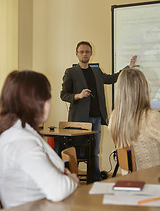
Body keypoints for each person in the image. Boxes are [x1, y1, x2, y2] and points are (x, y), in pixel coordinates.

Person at [60, 41, 138, 181]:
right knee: (77, 152)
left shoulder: (96, 71)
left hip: (96, 117)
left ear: (91, 53)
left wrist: (128, 68)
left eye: (87, 51)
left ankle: (94, 180)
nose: (85, 54)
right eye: (82, 51)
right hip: (79, 120)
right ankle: (71, 180)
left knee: (94, 152)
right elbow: (63, 95)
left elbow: (112, 78)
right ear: (77, 54)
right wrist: (78, 95)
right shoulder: (71, 72)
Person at [0, 70, 79, 209]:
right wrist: (71, 180)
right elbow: (58, 189)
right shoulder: (22, 141)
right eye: (48, 97)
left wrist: (59, 174)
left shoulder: (17, 133)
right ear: (36, 102)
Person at [109, 68, 160, 170]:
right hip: (153, 179)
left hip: (129, 180)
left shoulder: (115, 118)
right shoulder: (151, 117)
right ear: (144, 88)